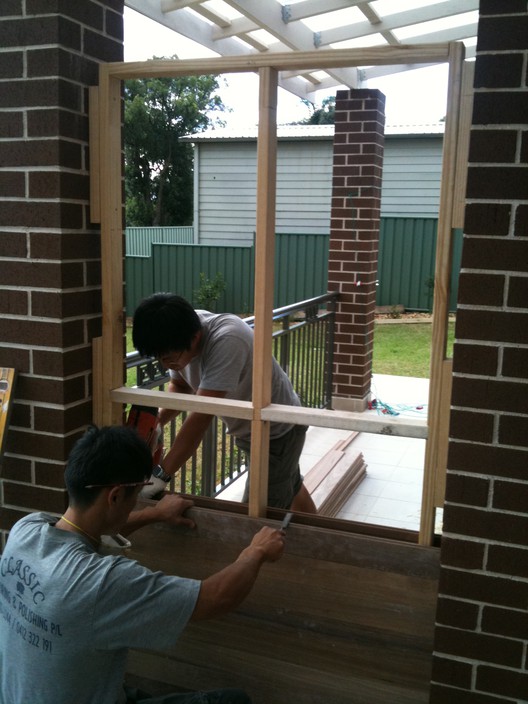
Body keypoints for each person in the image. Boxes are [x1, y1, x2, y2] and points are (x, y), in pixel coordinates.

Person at [0, 425, 285, 704]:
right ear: (114, 496)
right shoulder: (101, 584)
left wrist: (154, 515)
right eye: (135, 496)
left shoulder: (25, 530)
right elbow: (215, 597)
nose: (135, 504)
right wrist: (256, 552)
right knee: (233, 700)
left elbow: (88, 533)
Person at [132, 294, 316, 513]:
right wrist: (158, 422)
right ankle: (327, 543)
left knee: (258, 515)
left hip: (277, 430)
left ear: (196, 337)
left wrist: (160, 476)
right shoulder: (176, 332)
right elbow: (181, 387)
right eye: (159, 358)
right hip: (251, 429)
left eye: (170, 358)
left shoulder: (228, 339)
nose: (165, 364)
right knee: (289, 486)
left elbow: (201, 416)